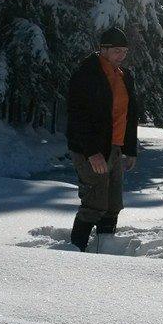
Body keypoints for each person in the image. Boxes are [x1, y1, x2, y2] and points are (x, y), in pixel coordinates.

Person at [66, 27, 139, 252]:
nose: (121, 55)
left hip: (114, 148)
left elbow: (129, 114)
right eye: (117, 51)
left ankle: (104, 251)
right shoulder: (87, 74)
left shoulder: (125, 76)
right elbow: (77, 117)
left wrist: (130, 149)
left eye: (124, 51)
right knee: (94, 202)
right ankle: (75, 252)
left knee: (113, 203)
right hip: (91, 151)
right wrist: (91, 152)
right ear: (103, 49)